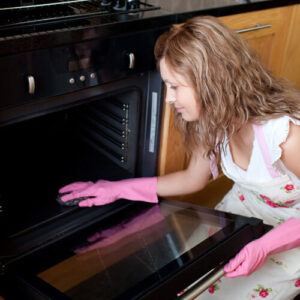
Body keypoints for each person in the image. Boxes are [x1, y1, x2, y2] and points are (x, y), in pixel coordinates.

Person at [59, 16, 300, 299]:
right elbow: (193, 178)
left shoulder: (286, 137)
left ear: (211, 81)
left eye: (174, 86)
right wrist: (116, 189)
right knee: (186, 288)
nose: (169, 98)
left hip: (291, 231)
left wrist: (265, 246)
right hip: (244, 212)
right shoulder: (213, 122)